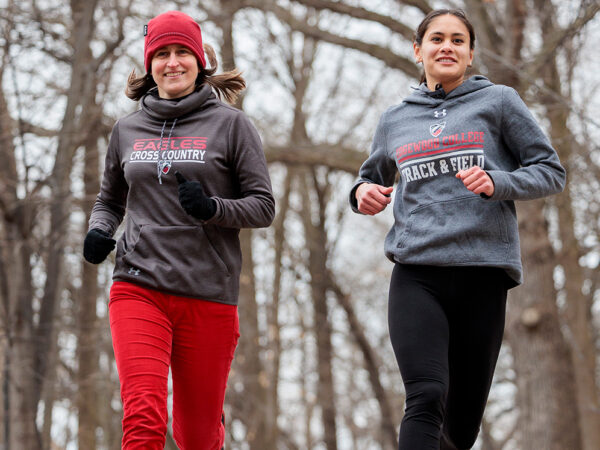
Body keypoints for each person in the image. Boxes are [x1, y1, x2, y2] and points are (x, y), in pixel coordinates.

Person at [349, 8, 565, 450]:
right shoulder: (395, 119)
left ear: (470, 54)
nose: (446, 46)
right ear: (418, 50)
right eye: (436, 39)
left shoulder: (499, 102)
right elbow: (368, 176)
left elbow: (550, 171)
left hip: (483, 272)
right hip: (416, 272)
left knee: (461, 427)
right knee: (426, 395)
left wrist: (498, 181)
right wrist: (360, 194)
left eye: (457, 40)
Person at [83, 10, 275, 450]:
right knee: (143, 416)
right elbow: (109, 200)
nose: (172, 62)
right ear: (150, 64)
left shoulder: (232, 125)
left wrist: (213, 208)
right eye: (162, 53)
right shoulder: (127, 129)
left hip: (207, 291)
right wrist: (99, 230)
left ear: (199, 60)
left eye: (182, 52)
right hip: (137, 285)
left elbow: (263, 207)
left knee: (197, 436)